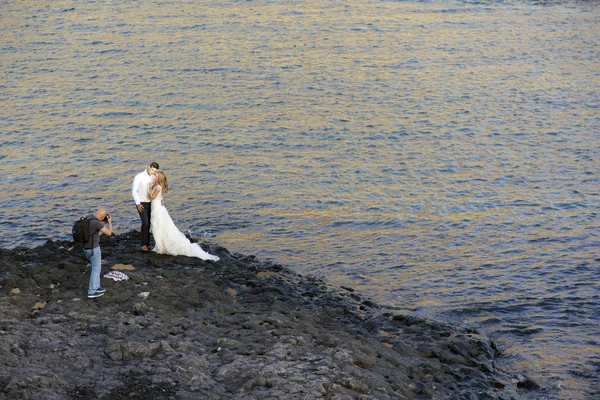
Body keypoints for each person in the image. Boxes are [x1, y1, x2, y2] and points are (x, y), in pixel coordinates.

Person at [149, 171, 220, 261]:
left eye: (156, 176)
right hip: (157, 207)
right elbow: (159, 197)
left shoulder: (158, 187)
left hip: (157, 209)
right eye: (154, 175)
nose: (154, 177)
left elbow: (151, 197)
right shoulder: (158, 186)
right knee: (159, 227)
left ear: (159, 179)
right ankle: (160, 245)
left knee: (158, 226)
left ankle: (160, 247)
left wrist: (149, 188)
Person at [83, 208, 113, 298]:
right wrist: (110, 222)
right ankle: (92, 291)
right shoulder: (96, 223)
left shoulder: (88, 218)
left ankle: (97, 286)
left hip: (85, 248)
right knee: (96, 269)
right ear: (103, 217)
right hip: (93, 249)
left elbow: (96, 228)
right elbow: (109, 233)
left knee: (95, 268)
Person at [132, 162, 159, 251]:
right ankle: (143, 244)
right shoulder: (139, 177)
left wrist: (160, 198)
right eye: (152, 170)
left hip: (151, 202)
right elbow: (134, 191)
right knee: (145, 223)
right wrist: (138, 203)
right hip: (141, 203)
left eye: (154, 171)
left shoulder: (154, 177)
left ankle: (148, 244)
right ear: (149, 167)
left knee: (150, 223)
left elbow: (156, 189)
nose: (152, 172)